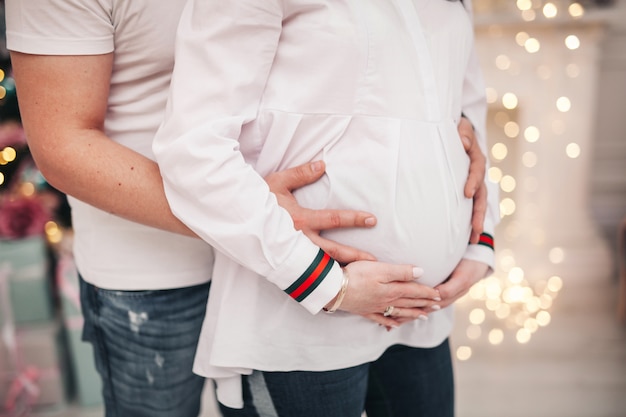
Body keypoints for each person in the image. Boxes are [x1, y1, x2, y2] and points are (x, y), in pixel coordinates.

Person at [4, 0, 489, 416]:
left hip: (289, 254)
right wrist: (268, 219)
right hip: (156, 269)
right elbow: (63, 146)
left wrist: (452, 150)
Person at [151, 0, 499, 416]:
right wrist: (328, 285)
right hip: (299, 325)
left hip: (422, 318)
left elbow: (467, 117)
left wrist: (480, 242)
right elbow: (194, 150)